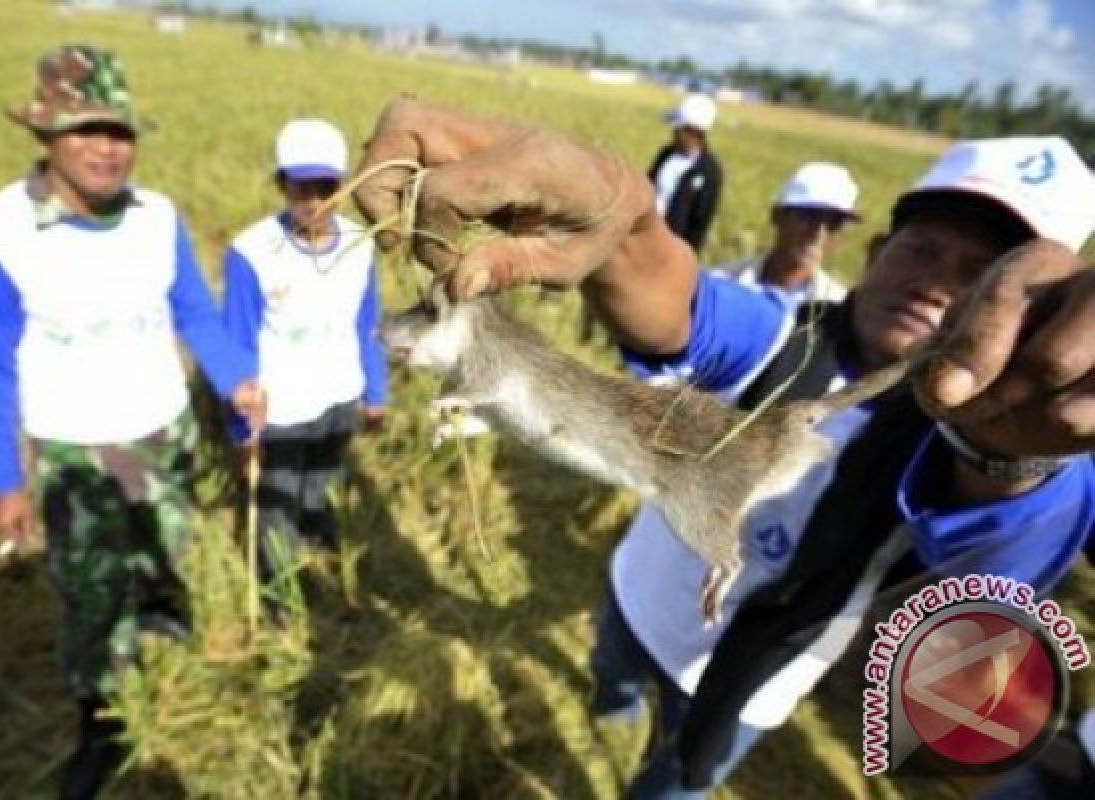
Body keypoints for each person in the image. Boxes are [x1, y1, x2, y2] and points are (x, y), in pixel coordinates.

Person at [349, 98, 1095, 794]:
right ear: (874, 252)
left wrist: (1011, 454)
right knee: (611, 674)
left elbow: (1001, 560)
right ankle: (615, 705)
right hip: (640, 593)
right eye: (923, 249)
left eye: (983, 278)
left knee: (678, 774)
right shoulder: (786, 333)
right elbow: (673, 301)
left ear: (1025, 327)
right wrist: (622, 219)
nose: (937, 286)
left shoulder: (977, 442)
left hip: (746, 676)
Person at [0, 45, 265, 799]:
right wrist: (3, 481)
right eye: (85, 129)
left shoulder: (157, 219)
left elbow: (192, 309)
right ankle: (99, 720)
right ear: (46, 135)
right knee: (90, 595)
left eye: (118, 131)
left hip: (165, 430)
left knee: (165, 544)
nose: (105, 147)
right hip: (75, 452)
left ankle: (163, 620)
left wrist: (235, 380)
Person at [222, 118, 387, 590]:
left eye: (326, 187)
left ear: (343, 185)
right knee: (279, 502)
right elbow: (238, 343)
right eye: (301, 188)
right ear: (281, 185)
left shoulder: (359, 244)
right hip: (281, 408)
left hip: (339, 399)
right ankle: (280, 593)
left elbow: (366, 321)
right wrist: (241, 430)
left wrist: (374, 392)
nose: (314, 201)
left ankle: (326, 560)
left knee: (320, 487)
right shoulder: (251, 252)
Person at [713, 161, 858, 304]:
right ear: (778, 216)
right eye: (810, 216)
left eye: (833, 224)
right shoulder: (720, 284)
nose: (819, 233)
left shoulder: (838, 307)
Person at [648, 93, 723, 256]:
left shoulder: (710, 172)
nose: (674, 132)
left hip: (671, 250)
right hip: (646, 235)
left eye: (679, 129)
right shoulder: (667, 153)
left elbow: (701, 222)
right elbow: (648, 185)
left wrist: (687, 259)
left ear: (694, 132)